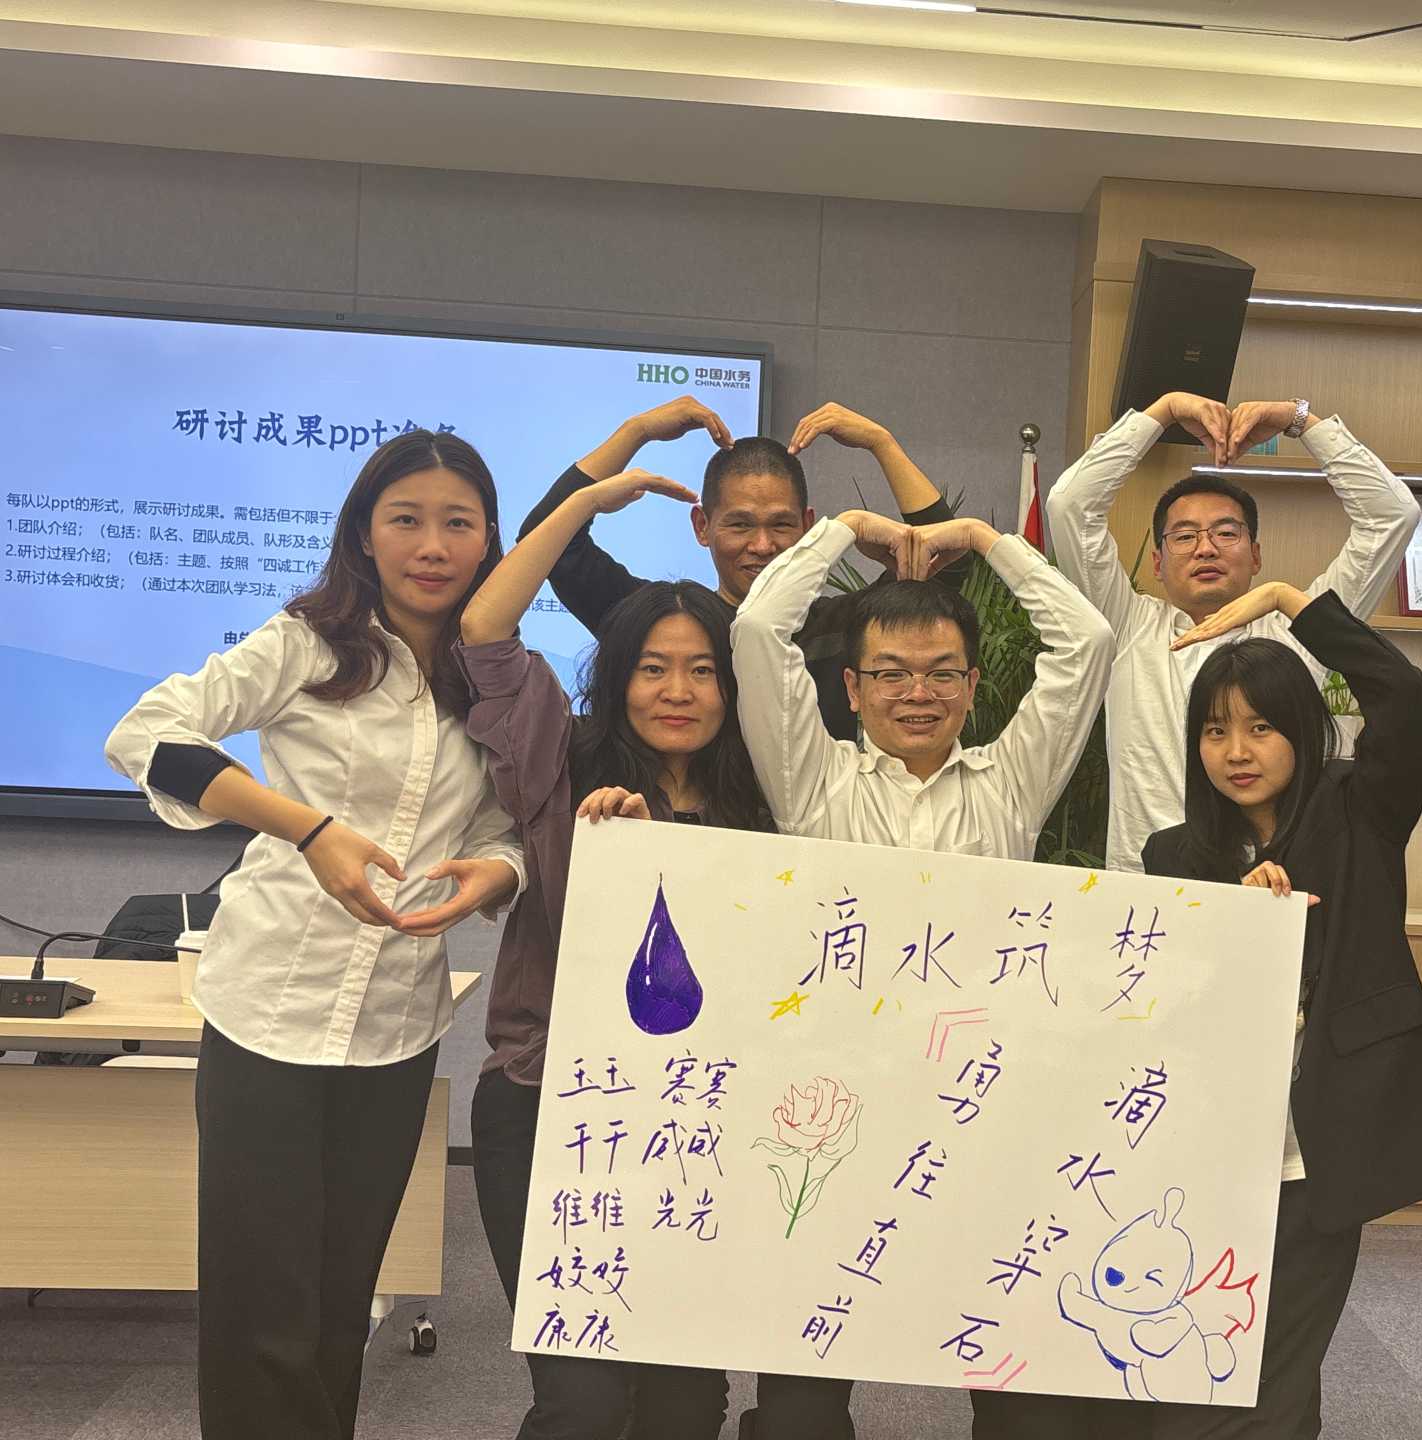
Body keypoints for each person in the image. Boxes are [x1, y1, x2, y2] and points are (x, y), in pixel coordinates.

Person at [103, 429, 528, 1440]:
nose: (433, 545)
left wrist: (496, 872)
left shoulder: (495, 677)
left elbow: (501, 826)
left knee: (342, 1304)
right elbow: (145, 733)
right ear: (365, 534)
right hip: (269, 1010)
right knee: (263, 1307)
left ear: (490, 541)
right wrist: (308, 828)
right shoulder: (306, 643)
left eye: (458, 523)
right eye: (406, 520)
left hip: (397, 1023)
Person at [730, 508, 1118, 1440]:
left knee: (1016, 1383)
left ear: (974, 686)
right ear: (853, 688)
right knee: (803, 1398)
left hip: (979, 1114)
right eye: (892, 674)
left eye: (943, 673)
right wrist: (841, 529)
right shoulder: (813, 780)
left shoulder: (1012, 783)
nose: (918, 693)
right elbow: (758, 630)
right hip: (835, 1113)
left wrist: (984, 541)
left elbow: (1088, 641)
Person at [457, 467, 775, 1438]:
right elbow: (486, 632)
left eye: (703, 671)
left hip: (700, 1126)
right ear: (619, 674)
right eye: (652, 668)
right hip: (550, 1110)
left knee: (686, 1401)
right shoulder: (564, 766)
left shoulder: (769, 801)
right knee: (585, 1402)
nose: (677, 691)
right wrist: (583, 505)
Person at [1139, 582, 1422, 1440]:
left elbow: (1399, 690)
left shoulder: (1358, 809)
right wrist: (1237, 917)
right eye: (1214, 730)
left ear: (1302, 729)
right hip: (1210, 1146)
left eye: (1260, 727)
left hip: (1321, 1138)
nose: (1236, 751)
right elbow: (1170, 1003)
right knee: (1208, 1346)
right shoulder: (1174, 855)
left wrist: (1289, 599)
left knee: (1284, 1353)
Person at [1047, 390, 1419, 872]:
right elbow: (1070, 506)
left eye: (1226, 533)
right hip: (1149, 889)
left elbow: (1391, 516)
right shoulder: (1128, 624)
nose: (1206, 549)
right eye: (1185, 536)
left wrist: (1298, 420)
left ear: (1256, 555)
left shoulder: (1297, 630)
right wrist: (1163, 412)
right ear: (1157, 563)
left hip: (1274, 883)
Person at [521, 397, 968, 739]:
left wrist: (880, 442)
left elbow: (945, 562)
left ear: (809, 527)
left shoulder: (843, 628)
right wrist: (635, 431)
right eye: (740, 525)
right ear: (702, 526)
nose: (762, 545)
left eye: (781, 525)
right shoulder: (662, 624)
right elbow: (548, 543)